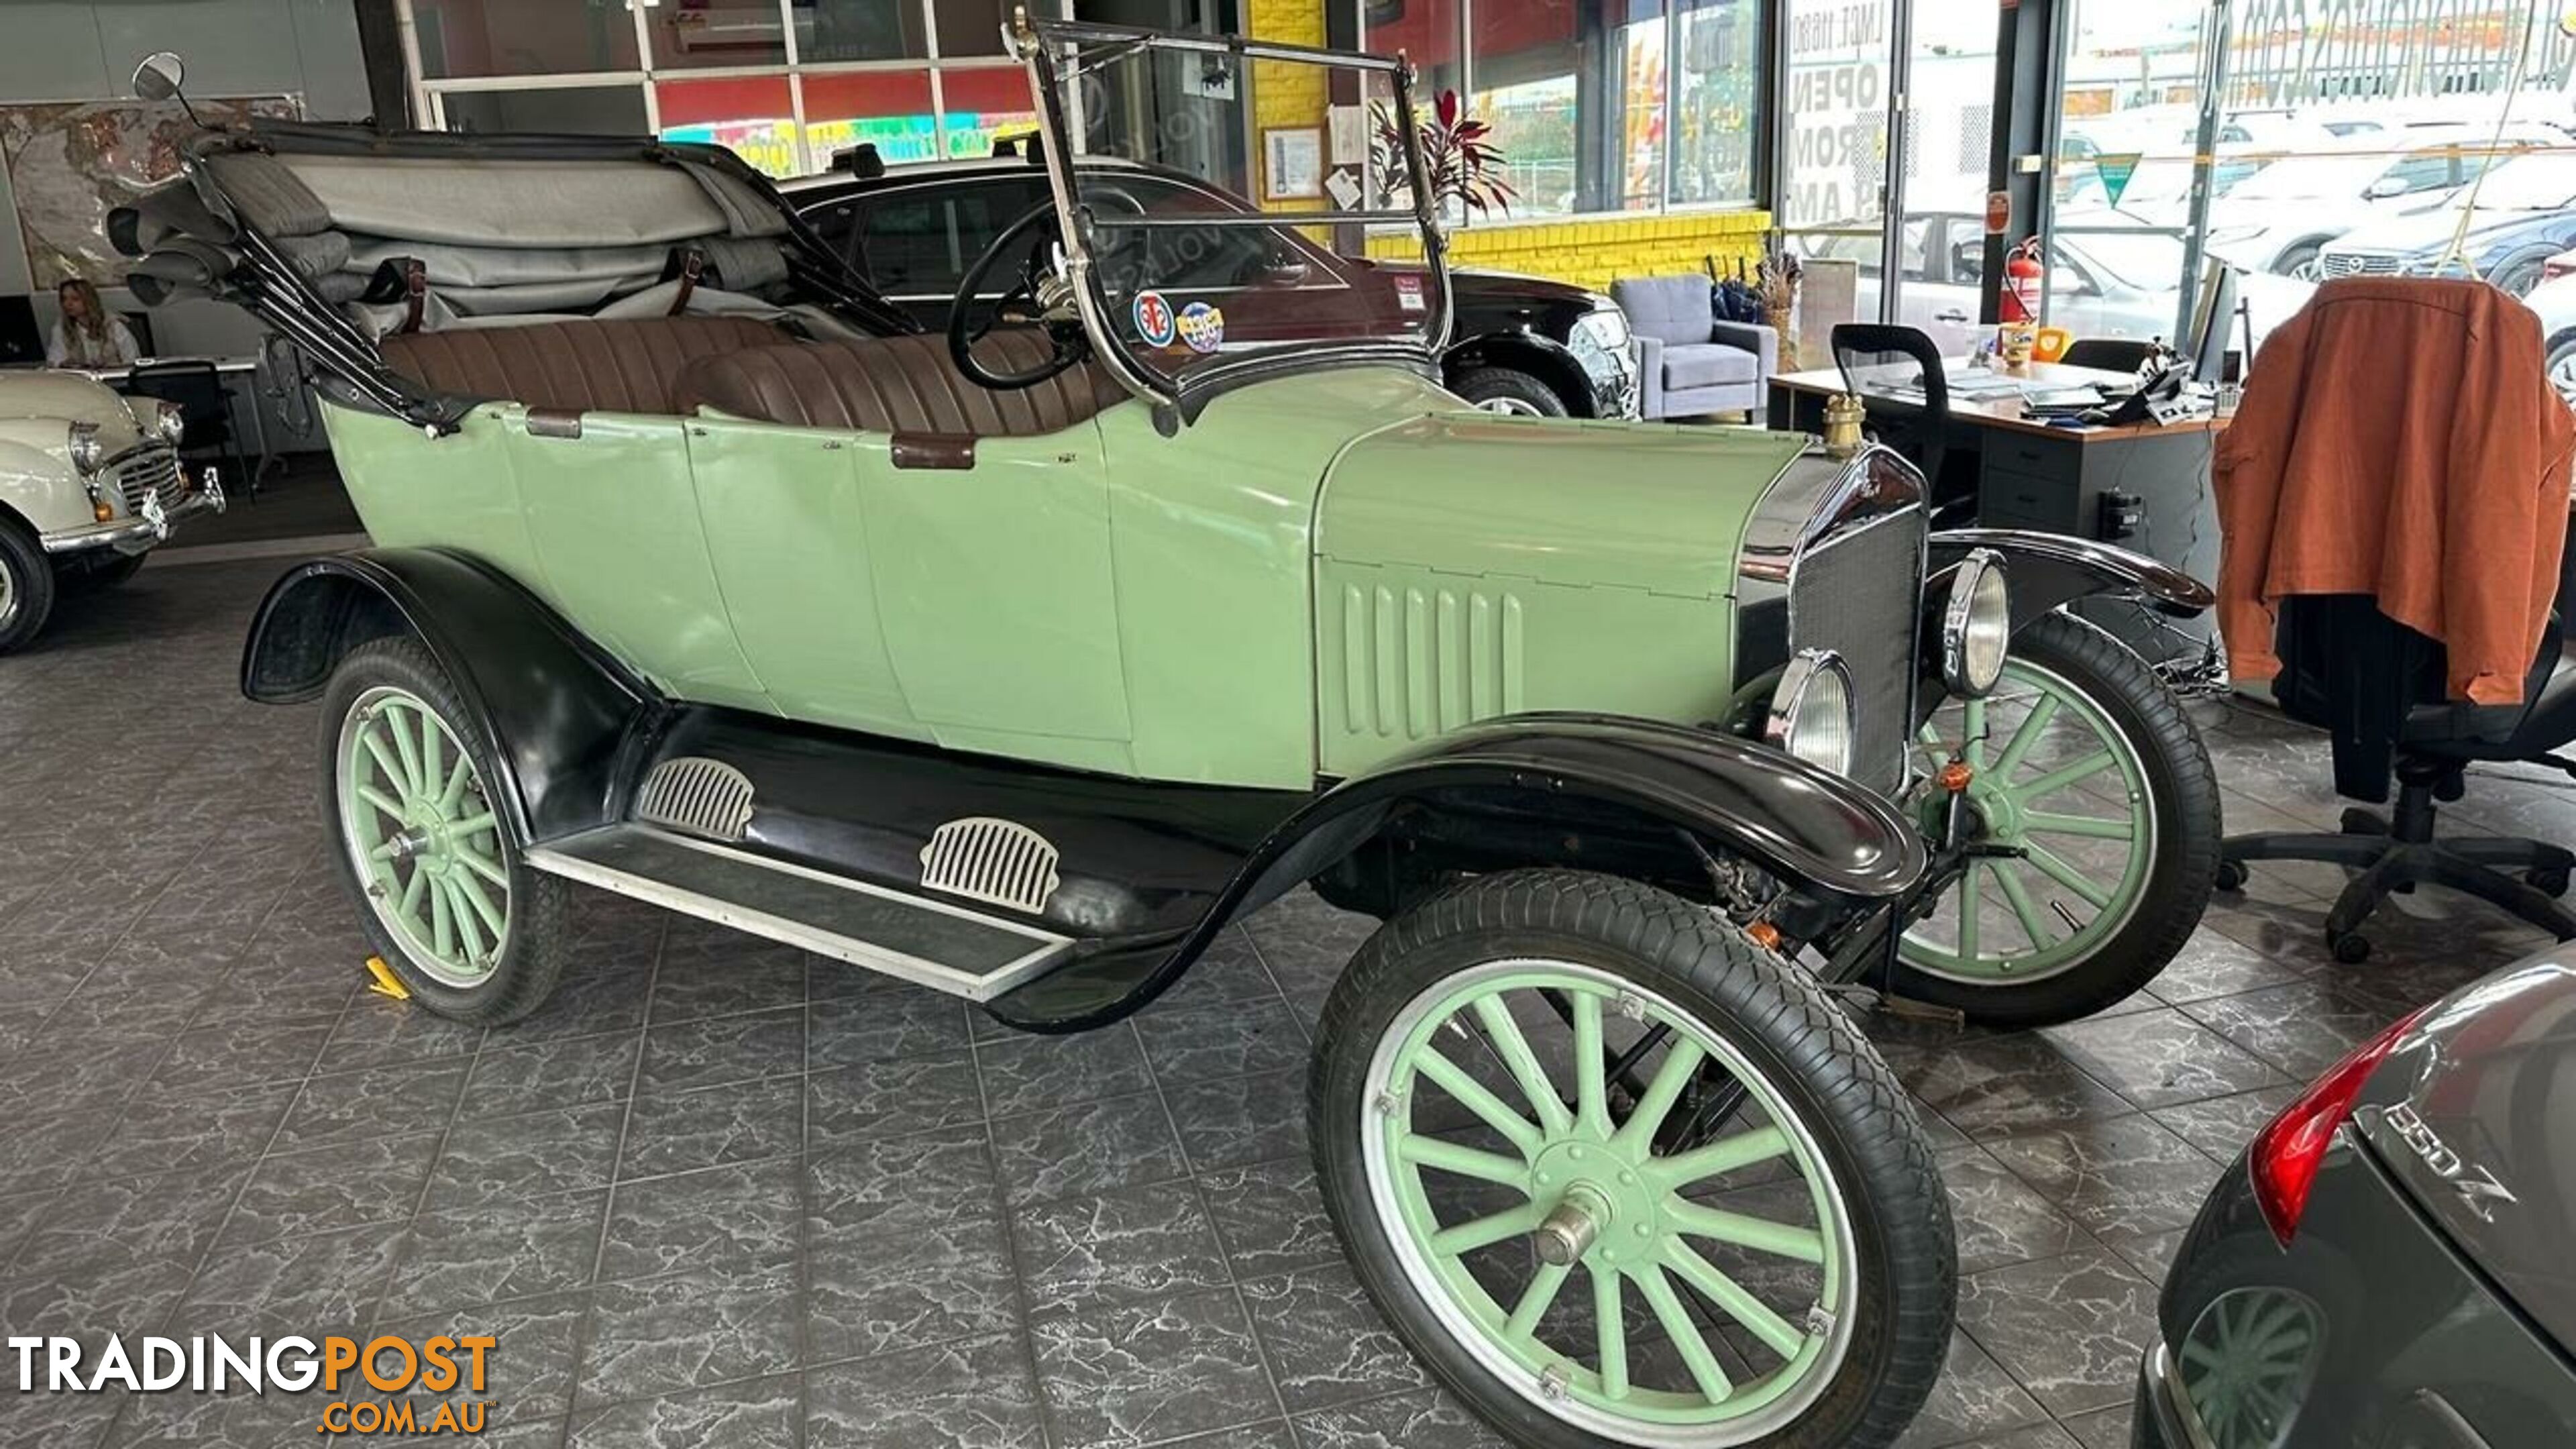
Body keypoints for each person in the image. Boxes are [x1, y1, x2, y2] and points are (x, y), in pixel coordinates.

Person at [46, 278, 140, 369]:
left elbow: (132, 360)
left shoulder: (114, 326)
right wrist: (64, 363)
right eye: (64, 299)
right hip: (81, 382)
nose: (68, 304)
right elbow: (54, 360)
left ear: (89, 300)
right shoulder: (62, 329)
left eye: (75, 299)